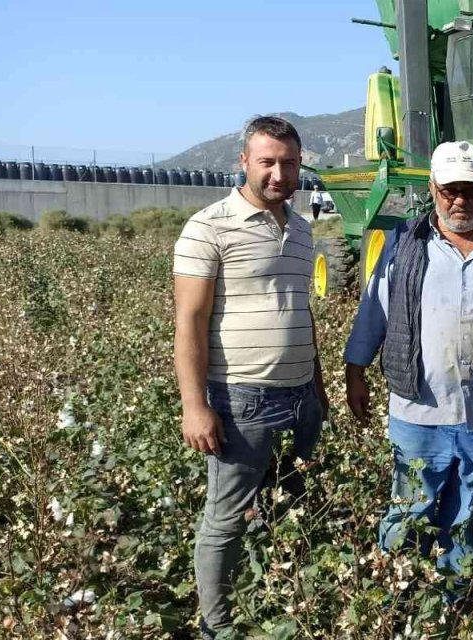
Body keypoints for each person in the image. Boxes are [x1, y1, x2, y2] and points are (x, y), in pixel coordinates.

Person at [343, 140, 473, 584]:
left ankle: (453, 599)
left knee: (468, 514)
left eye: (470, 190)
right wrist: (355, 371)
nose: (460, 200)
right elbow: (373, 312)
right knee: (409, 512)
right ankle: (399, 599)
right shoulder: (405, 243)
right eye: (450, 190)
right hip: (417, 410)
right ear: (434, 189)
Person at [173, 115, 328, 638]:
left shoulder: (303, 229)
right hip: (243, 398)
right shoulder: (209, 226)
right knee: (227, 515)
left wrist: (319, 384)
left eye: (288, 163)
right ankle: (217, 625)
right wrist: (195, 406)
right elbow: (189, 320)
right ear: (244, 162)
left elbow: (300, 310)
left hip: (302, 395)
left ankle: (279, 594)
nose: (278, 173)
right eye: (267, 162)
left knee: (293, 500)